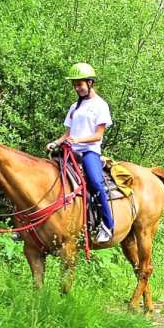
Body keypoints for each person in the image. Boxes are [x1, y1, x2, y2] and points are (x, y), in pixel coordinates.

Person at [46, 62, 114, 243]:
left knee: (95, 183)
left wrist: (78, 140)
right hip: (70, 151)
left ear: (90, 83)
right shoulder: (74, 107)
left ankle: (107, 225)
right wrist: (55, 142)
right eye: (75, 84)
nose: (77, 88)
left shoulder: (100, 105)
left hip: (89, 151)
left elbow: (98, 135)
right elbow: (67, 134)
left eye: (80, 84)